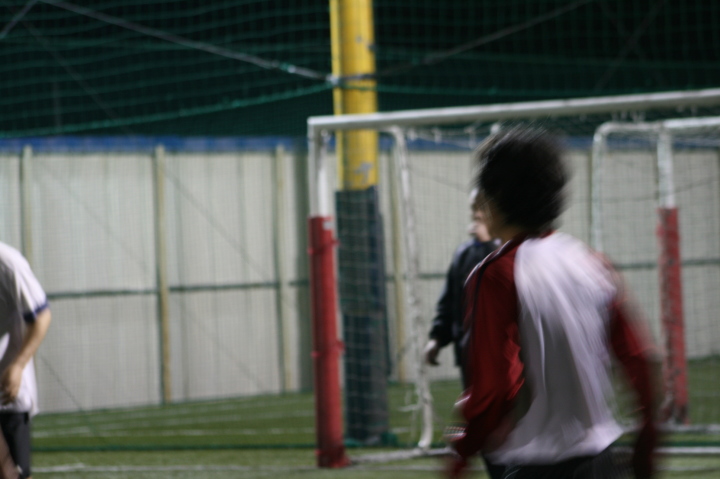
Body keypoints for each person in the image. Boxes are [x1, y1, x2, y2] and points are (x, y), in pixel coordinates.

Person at [446, 128, 660, 479]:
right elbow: (639, 358)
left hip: (538, 466)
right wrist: (646, 442)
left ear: (496, 195)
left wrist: (461, 451)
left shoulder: (496, 274)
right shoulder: (591, 262)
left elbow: (495, 388)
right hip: (602, 461)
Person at [424, 189, 496, 387]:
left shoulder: (507, 250)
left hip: (502, 354)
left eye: (482, 207)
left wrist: (488, 244)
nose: (476, 214)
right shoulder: (463, 253)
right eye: (473, 208)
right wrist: (437, 338)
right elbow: (449, 301)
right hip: (468, 351)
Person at [0, 241, 52, 479]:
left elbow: (41, 316)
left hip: (7, 397)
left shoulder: (8, 263)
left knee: (14, 474)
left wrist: (18, 365)